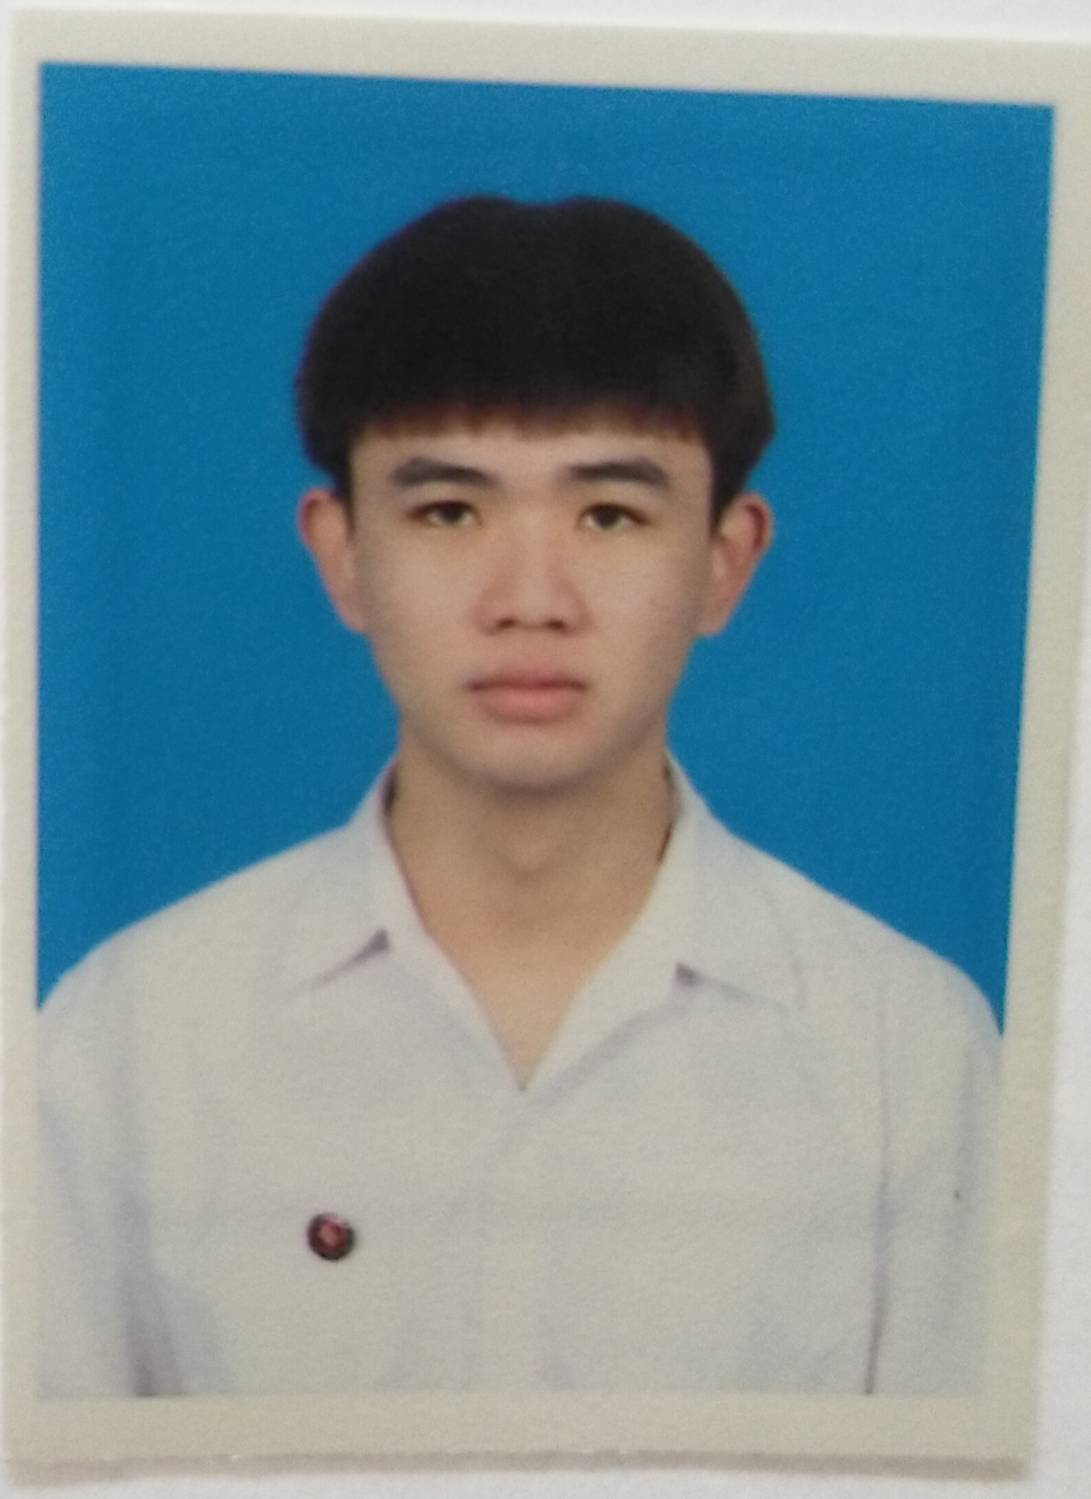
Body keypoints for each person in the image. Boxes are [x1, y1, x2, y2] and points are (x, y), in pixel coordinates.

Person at [38, 195, 998, 1400]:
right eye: (448, 510)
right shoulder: (132, 1037)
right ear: (341, 551)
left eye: (608, 512)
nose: (530, 598)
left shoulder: (905, 1052)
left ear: (724, 558)